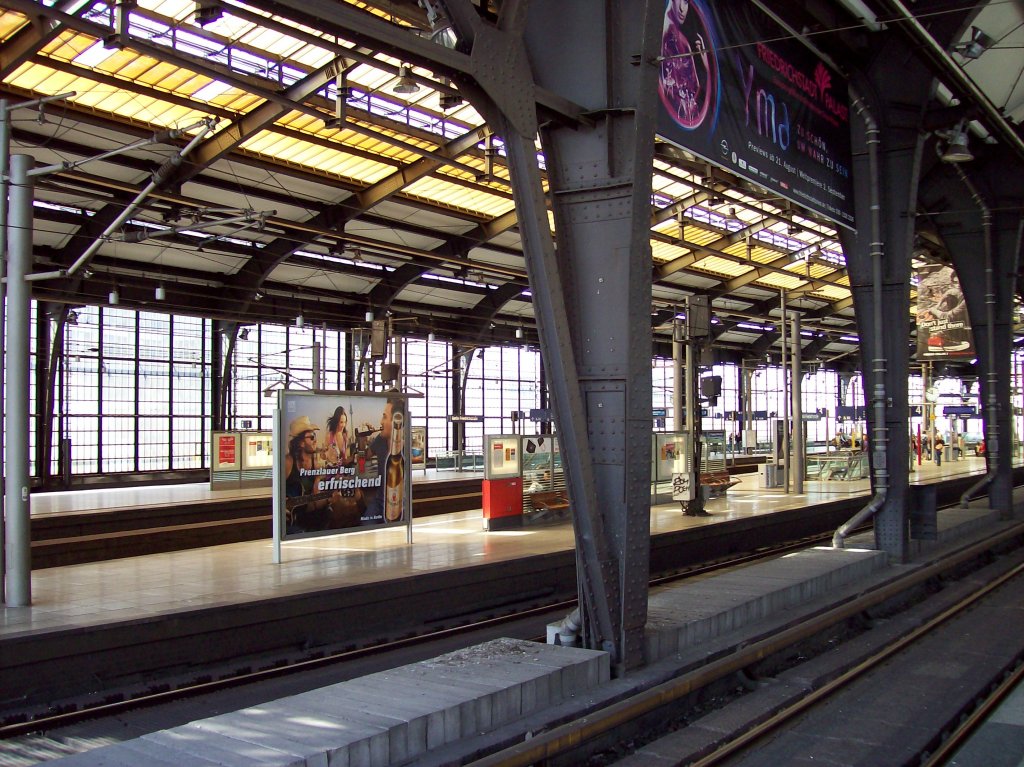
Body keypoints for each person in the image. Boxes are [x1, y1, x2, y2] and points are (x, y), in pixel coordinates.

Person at [283, 415, 333, 533]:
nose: (315, 439)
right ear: (301, 443)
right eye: (311, 437)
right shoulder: (288, 462)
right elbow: (276, 490)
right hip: (291, 521)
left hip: (309, 517)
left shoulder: (315, 465)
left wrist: (329, 499)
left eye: (314, 436)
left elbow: (316, 502)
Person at [362, 396, 407, 524]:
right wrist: (361, 439)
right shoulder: (380, 440)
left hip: (400, 504)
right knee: (366, 526)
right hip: (380, 501)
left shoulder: (405, 448)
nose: (381, 421)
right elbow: (364, 457)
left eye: (384, 417)